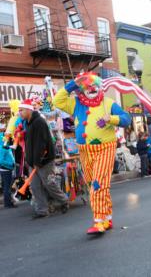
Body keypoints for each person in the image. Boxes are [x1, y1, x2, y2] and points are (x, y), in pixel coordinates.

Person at [53, 71, 131, 234]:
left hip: (105, 148)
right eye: (87, 86)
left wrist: (112, 119)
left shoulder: (108, 103)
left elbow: (126, 118)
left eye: (94, 85)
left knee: (98, 184)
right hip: (84, 151)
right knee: (92, 185)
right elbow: (57, 100)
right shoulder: (76, 104)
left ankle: (99, 221)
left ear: (100, 87)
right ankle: (107, 218)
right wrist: (74, 83)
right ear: (82, 89)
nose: (92, 88)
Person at [19, 99, 69, 219]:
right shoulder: (29, 123)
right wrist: (29, 160)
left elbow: (41, 144)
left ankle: (64, 200)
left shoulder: (39, 122)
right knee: (36, 187)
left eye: (21, 110)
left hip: (44, 161)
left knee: (48, 183)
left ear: (28, 110)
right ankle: (42, 210)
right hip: (34, 162)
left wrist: (37, 161)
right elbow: (31, 144)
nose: (19, 113)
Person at [0, 132, 16, 208]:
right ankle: (8, 203)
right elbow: (1, 161)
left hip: (7, 169)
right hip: (5, 169)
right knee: (7, 186)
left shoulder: (5, 146)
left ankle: (8, 202)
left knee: (7, 186)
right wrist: (10, 164)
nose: (8, 139)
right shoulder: (2, 148)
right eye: (6, 138)